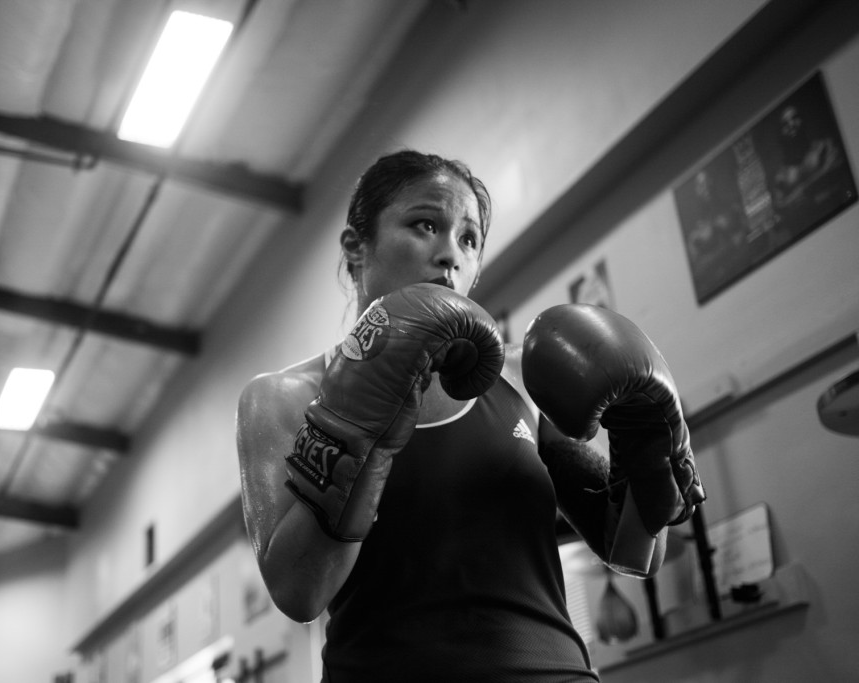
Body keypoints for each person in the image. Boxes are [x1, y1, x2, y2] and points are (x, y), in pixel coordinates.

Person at [236, 150, 704, 682]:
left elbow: (634, 554)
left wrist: (645, 446)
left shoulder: (520, 379)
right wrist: (362, 428)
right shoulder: (283, 397)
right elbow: (299, 593)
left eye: (469, 238)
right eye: (425, 224)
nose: (449, 255)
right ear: (356, 247)